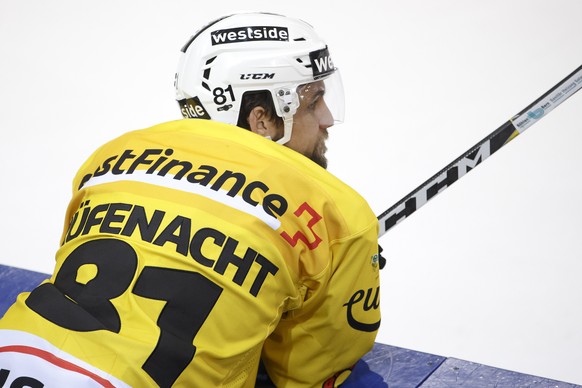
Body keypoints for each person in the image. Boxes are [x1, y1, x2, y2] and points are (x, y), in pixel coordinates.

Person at [0, 12, 382, 387]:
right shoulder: (336, 213)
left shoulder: (111, 157)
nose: (327, 118)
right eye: (314, 101)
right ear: (262, 118)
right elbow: (312, 377)